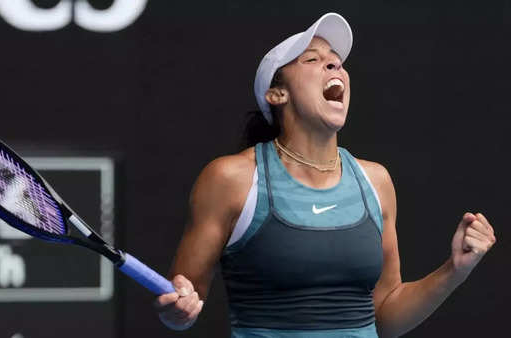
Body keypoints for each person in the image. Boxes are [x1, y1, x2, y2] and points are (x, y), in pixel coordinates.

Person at [153, 12, 496, 338]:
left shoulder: (376, 181)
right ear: (277, 94)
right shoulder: (230, 178)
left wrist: (454, 270)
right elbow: (181, 302)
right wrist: (178, 308)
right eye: (312, 59)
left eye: (336, 60)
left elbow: (386, 317)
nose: (334, 64)